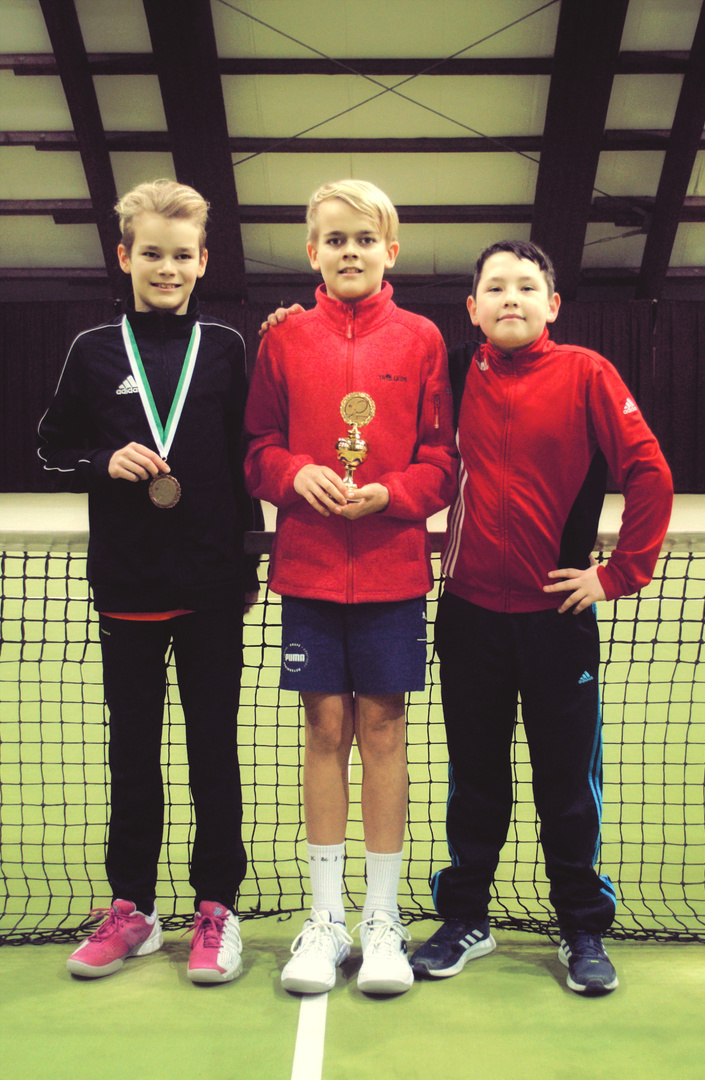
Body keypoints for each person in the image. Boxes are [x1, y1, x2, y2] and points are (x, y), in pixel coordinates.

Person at [408, 240, 673, 995]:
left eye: (526, 286)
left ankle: (582, 927)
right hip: (467, 618)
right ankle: (466, 919)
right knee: (475, 781)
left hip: (557, 621)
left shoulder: (588, 373)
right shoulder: (451, 373)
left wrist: (617, 574)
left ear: (552, 305)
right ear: (473, 308)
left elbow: (650, 473)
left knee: (567, 785)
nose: (511, 298)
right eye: (495, 287)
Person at [38, 179, 260, 984]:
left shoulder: (226, 347)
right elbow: (51, 447)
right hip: (127, 587)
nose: (167, 268)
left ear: (202, 262)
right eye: (152, 254)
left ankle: (216, 909)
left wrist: (246, 565)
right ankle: (131, 908)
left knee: (214, 756)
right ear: (125, 256)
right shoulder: (93, 349)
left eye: (182, 256)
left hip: (211, 591)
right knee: (132, 756)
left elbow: (244, 464)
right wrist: (102, 461)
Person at [244, 179, 457, 996]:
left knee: (385, 731)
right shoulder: (282, 339)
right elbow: (258, 446)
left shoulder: (422, 339)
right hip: (306, 568)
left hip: (391, 570)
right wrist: (294, 474)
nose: (349, 251)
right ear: (312, 253)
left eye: (365, 238)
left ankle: (381, 919)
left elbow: (441, 462)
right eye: (334, 239)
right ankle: (326, 918)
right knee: (323, 729)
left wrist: (390, 494)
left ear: (390, 251)